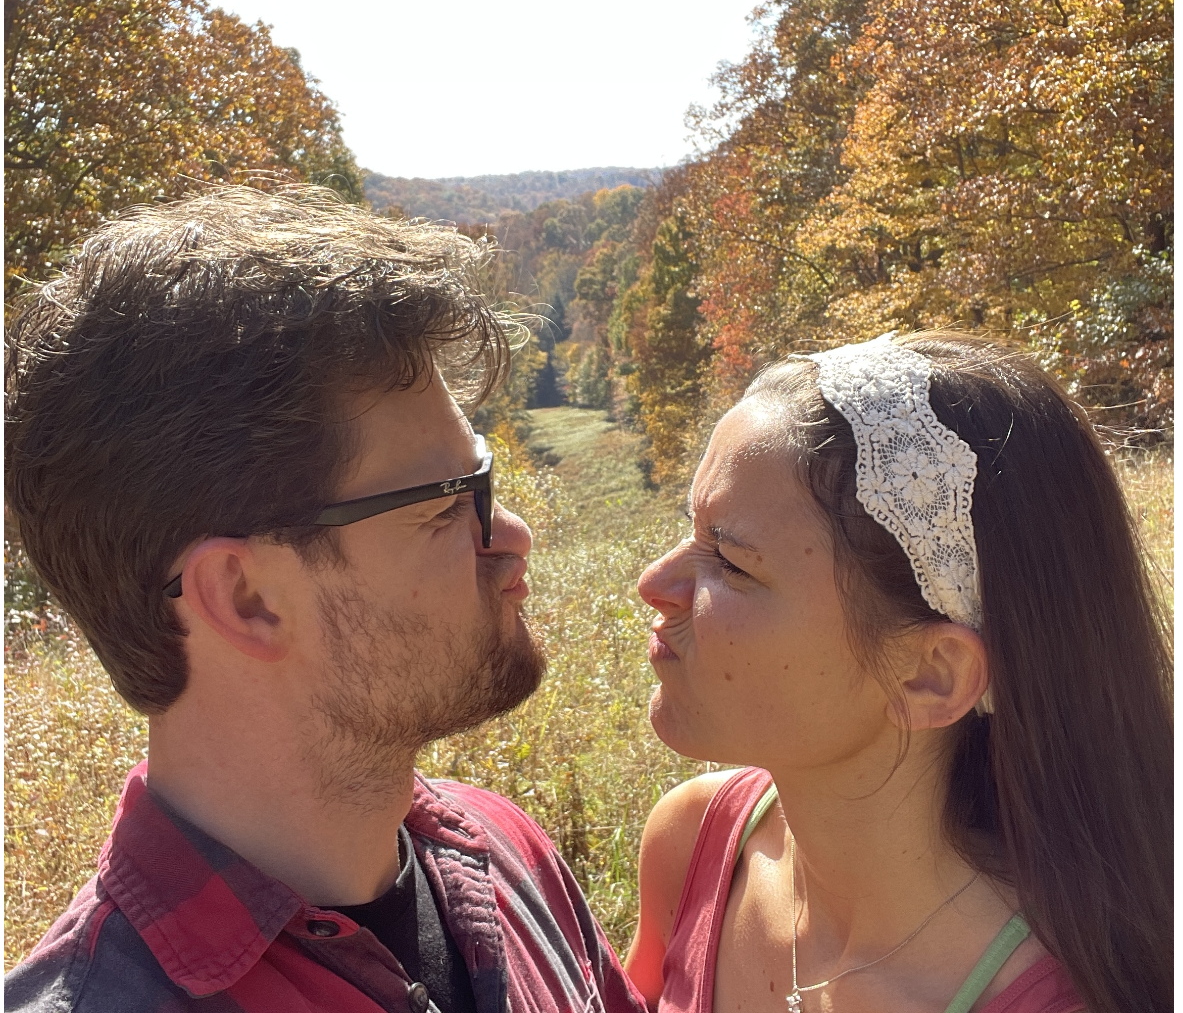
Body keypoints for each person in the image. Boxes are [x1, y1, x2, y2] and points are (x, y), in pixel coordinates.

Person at [5, 186, 647, 1013]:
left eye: (482, 481)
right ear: (246, 597)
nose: (512, 535)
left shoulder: (508, 854)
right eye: (444, 504)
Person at [625, 332, 1171, 1013]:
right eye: (693, 529)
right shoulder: (695, 846)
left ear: (930, 676)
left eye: (731, 561)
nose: (655, 583)